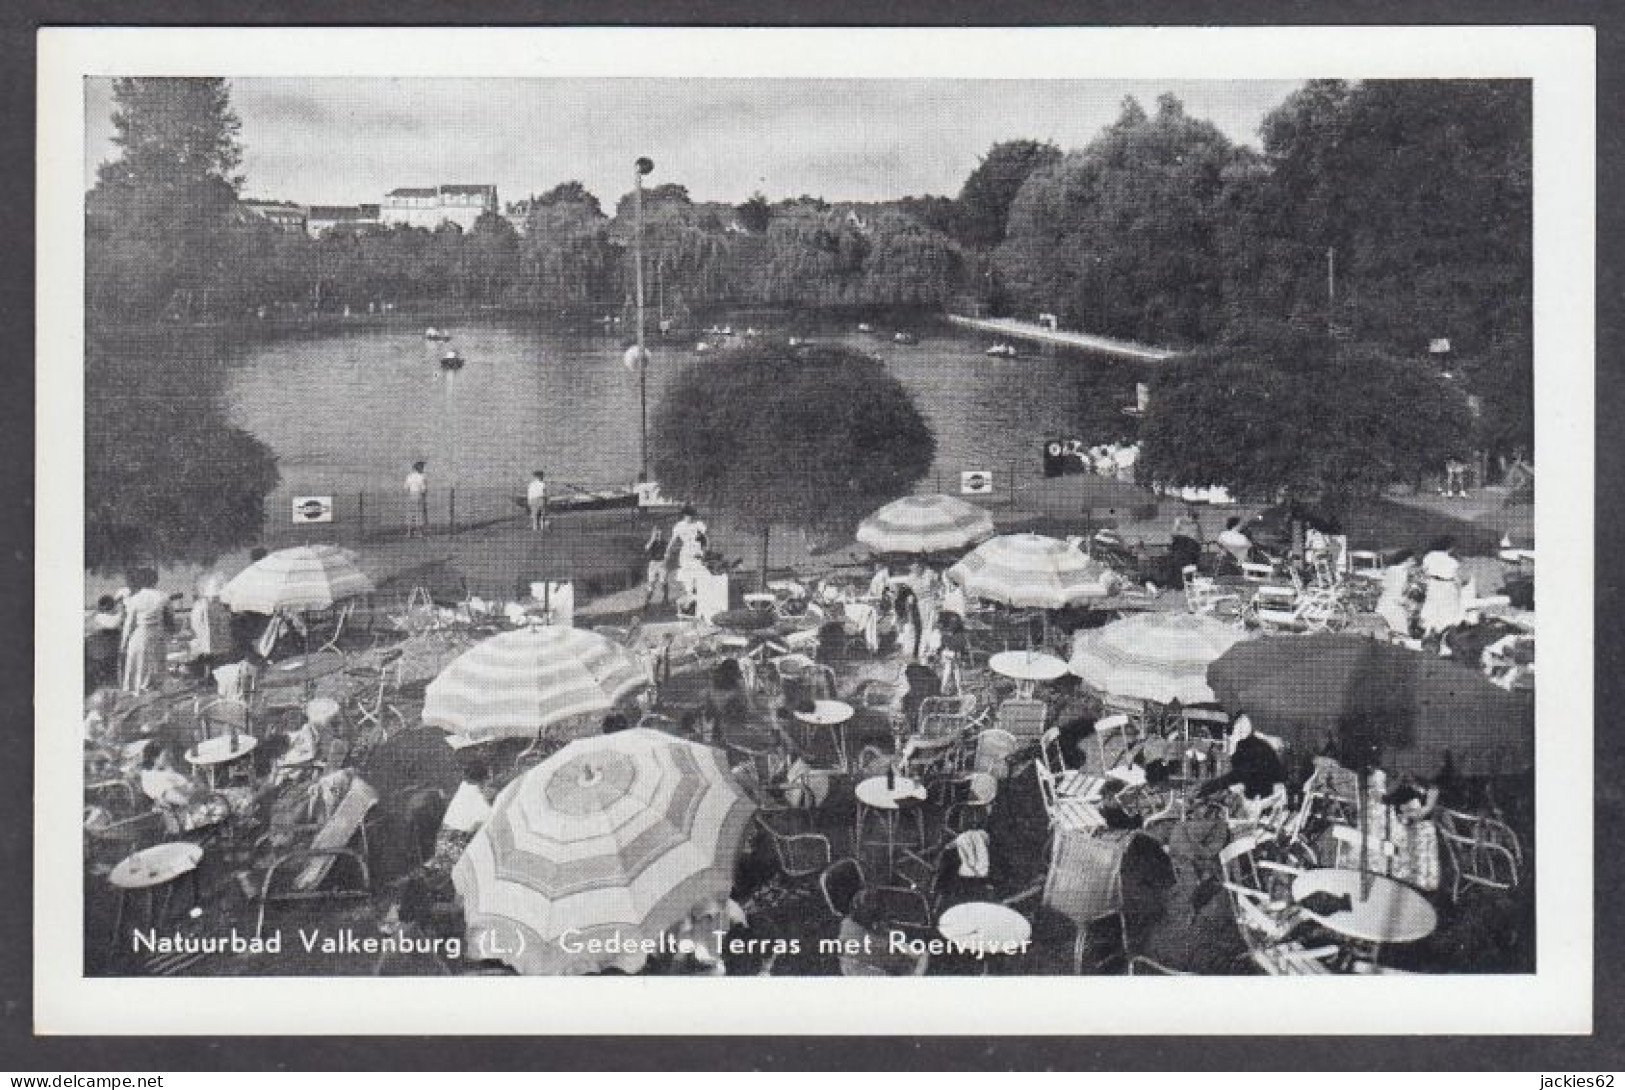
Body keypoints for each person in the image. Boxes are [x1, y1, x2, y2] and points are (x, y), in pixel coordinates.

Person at [119, 568, 169, 695]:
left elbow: (129, 624)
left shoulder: (135, 599)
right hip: (157, 635)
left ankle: (136, 696)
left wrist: (123, 644)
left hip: (140, 635)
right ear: (155, 581)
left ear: (140, 581)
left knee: (137, 671)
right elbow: (170, 619)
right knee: (156, 670)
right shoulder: (163, 596)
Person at [1419, 536, 1465, 642]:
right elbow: (1456, 577)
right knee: (1448, 611)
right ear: (1450, 547)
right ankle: (1443, 636)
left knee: (1432, 608)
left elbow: (1424, 570)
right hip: (1448, 585)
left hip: (1434, 584)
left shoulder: (1429, 556)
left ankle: (1428, 634)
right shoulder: (1452, 561)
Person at [188, 573, 232, 679]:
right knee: (210, 651)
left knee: (213, 651)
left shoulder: (205, 605)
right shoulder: (205, 605)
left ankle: (211, 674)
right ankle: (210, 674)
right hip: (208, 634)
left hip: (212, 634)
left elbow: (196, 622)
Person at [1375, 550, 1418, 639]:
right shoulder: (1401, 572)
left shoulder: (1392, 569)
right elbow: (1397, 593)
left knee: (1391, 635)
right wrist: (1408, 603)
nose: (1414, 563)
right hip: (1393, 607)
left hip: (1384, 604)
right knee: (1402, 635)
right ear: (1407, 560)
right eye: (1413, 560)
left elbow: (1384, 585)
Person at [85, 595, 123, 694]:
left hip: (101, 653)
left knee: (105, 679)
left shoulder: (97, 616)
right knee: (108, 679)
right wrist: (122, 611)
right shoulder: (102, 617)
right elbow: (112, 624)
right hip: (103, 654)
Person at [644, 526, 669, 607]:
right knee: (651, 583)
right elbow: (647, 548)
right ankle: (647, 602)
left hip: (661, 563)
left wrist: (666, 558)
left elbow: (667, 552)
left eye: (660, 534)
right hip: (653, 563)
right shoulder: (652, 542)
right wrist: (652, 538)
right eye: (657, 534)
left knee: (663, 581)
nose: (659, 536)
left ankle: (665, 599)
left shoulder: (664, 542)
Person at [405, 460, 429, 538]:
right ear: (419, 468)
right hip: (419, 495)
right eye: (422, 467)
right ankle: (420, 533)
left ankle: (409, 533)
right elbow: (423, 489)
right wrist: (424, 497)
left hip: (411, 495)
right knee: (420, 514)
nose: (423, 468)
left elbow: (406, 488)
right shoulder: (422, 477)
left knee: (411, 514)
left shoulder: (409, 476)